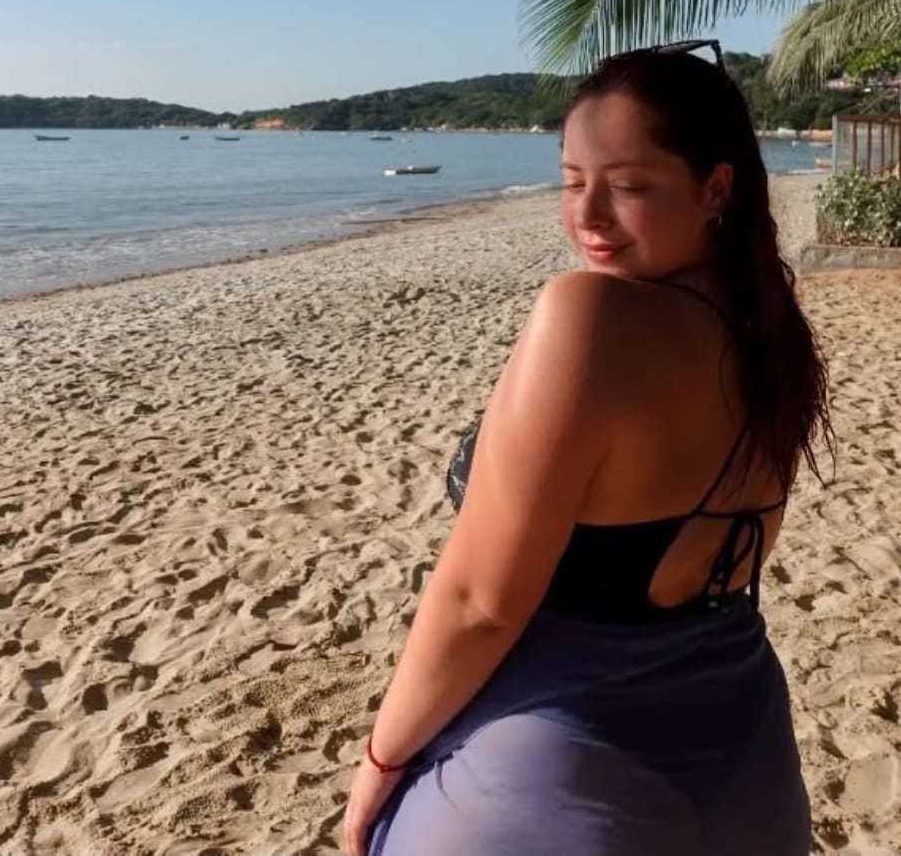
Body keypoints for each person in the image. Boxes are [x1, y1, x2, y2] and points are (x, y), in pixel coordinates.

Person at [341, 42, 833, 856]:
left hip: (569, 773)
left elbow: (478, 604)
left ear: (715, 187)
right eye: (572, 182)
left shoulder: (590, 317)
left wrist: (378, 762)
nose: (588, 215)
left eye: (628, 186)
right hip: (747, 763)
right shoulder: (768, 333)